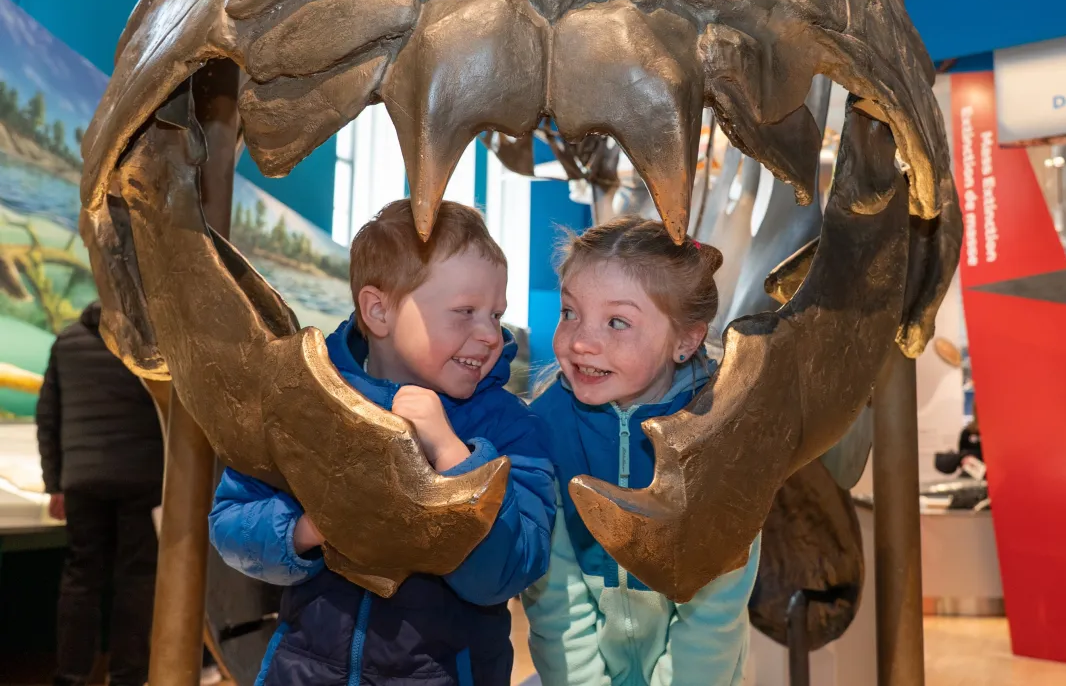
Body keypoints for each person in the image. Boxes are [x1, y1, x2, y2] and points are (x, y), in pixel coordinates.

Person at [209, 200, 556, 685]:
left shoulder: (512, 430)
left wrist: (453, 456)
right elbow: (229, 525)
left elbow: (508, 573)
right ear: (379, 310)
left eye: (496, 315)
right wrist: (311, 528)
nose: (490, 335)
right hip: (303, 671)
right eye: (465, 312)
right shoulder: (306, 403)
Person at [524, 217, 760, 686]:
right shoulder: (544, 429)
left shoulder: (720, 438)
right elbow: (555, 598)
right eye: (569, 312)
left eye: (617, 322)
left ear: (686, 340)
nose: (581, 341)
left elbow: (715, 610)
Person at [36, 301, 165, 686]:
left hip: (82, 481)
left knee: (81, 578)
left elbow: (48, 418)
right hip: (141, 479)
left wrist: (54, 483)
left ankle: (71, 675)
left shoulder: (67, 341)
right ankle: (128, 677)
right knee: (136, 579)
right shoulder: (148, 346)